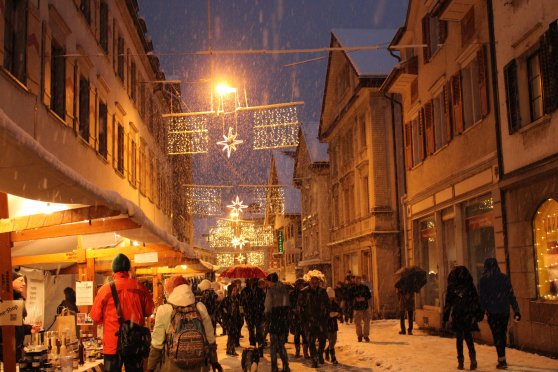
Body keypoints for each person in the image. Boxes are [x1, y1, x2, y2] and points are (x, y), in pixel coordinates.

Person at [90, 253, 154, 371]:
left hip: (113, 344)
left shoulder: (105, 290)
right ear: (128, 269)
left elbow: (95, 316)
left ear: (113, 270)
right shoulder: (140, 287)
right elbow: (149, 311)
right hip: (135, 341)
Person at [147, 275, 221, 372]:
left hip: (172, 366)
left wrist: (150, 367)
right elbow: (210, 338)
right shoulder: (200, 307)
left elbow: (157, 344)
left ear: (171, 290)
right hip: (199, 366)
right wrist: (214, 360)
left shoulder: (164, 310)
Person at [479, 258, 521, 370]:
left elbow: (482, 298)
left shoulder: (483, 280)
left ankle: (501, 359)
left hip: (492, 312)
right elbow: (511, 295)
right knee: (502, 334)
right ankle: (502, 357)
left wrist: (481, 311)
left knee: (497, 335)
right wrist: (516, 309)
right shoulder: (504, 278)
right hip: (504, 311)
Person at [443, 266, 483, 370]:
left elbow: (448, 303)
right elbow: (476, 300)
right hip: (467, 314)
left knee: (459, 339)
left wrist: (445, 318)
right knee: (468, 337)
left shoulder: (452, 287)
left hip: (458, 315)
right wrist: (478, 314)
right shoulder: (469, 285)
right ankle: (473, 358)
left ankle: (460, 361)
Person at [0, 272, 39, 363]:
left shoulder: (16, 300)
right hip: (5, 353)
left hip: (16, 351)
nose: (24, 284)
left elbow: (14, 325)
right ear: (11, 282)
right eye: (21, 281)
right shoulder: (4, 301)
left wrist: (29, 329)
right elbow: (5, 328)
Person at [297, 273, 329, 368]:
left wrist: (325, 316)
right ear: (310, 282)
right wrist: (303, 320)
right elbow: (300, 307)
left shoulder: (322, 292)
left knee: (322, 340)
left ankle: (319, 354)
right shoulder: (304, 292)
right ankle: (314, 359)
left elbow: (327, 305)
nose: (314, 284)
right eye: (313, 282)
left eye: (316, 282)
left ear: (319, 283)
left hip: (321, 320)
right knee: (311, 341)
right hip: (309, 321)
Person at [264, 273, 290, 372]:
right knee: (281, 345)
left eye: (268, 282)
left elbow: (267, 307)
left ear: (271, 281)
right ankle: (286, 365)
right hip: (283, 320)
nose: (267, 283)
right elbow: (286, 303)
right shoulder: (284, 288)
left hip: (274, 319)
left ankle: (274, 367)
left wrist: (266, 315)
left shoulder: (270, 291)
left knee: (273, 346)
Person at [241, 278, 266, 357]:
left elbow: (263, 302)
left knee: (259, 333)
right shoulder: (244, 291)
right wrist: (243, 313)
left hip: (259, 315)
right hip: (249, 315)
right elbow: (242, 304)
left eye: (253, 280)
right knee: (251, 333)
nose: (252, 282)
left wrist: (262, 311)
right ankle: (253, 350)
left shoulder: (260, 291)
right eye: (250, 280)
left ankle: (260, 350)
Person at [219, 285, 241, 356]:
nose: (235, 292)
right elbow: (221, 308)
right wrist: (226, 313)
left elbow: (239, 309)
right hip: (228, 320)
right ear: (230, 291)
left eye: (235, 291)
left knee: (232, 335)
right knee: (231, 335)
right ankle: (232, 349)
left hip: (235, 319)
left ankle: (229, 349)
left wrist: (240, 314)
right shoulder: (226, 299)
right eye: (233, 290)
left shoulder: (237, 300)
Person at [289, 278, 307, 358]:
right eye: (299, 284)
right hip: (295, 317)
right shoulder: (292, 294)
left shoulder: (306, 293)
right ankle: (297, 351)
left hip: (304, 317)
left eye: (302, 284)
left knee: (305, 335)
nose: (301, 286)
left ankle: (305, 352)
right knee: (297, 335)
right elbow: (289, 305)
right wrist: (293, 310)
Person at [351, 276, 372, 342]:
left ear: (360, 280)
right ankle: (359, 335)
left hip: (364, 306)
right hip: (357, 307)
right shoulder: (353, 288)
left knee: (367, 322)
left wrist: (364, 298)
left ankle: (366, 335)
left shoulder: (365, 288)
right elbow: (349, 296)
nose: (357, 281)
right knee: (358, 323)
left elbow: (369, 295)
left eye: (359, 280)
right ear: (355, 280)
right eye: (356, 280)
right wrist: (355, 298)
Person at [324, 287, 341, 365]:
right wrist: (330, 314)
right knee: (331, 341)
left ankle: (327, 351)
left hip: (334, 325)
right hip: (327, 325)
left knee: (333, 341)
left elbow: (339, 311)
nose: (331, 299)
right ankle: (333, 358)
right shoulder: (324, 304)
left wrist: (338, 314)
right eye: (330, 297)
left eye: (332, 297)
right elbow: (324, 314)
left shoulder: (335, 304)